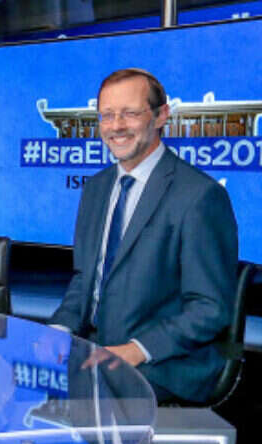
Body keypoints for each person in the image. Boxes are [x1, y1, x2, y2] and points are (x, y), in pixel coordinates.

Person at [50, 68, 238, 403]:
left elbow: (209, 308)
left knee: (82, 400)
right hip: (97, 349)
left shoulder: (200, 196)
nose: (116, 126)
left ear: (161, 115)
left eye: (130, 113)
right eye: (107, 115)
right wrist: (59, 330)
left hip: (162, 362)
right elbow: (85, 280)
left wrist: (136, 350)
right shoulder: (96, 188)